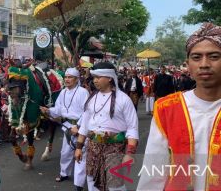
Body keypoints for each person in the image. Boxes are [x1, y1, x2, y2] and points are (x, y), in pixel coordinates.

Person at [137, 23, 221, 190]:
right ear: (188, 64)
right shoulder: (167, 108)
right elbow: (154, 170)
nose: (204, 64)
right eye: (196, 57)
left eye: (214, 56)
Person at [75, 62, 139, 191]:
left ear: (110, 78)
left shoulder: (124, 99)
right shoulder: (91, 98)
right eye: (94, 78)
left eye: (98, 77)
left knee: (116, 184)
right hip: (93, 148)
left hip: (115, 149)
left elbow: (132, 128)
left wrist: (130, 153)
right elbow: (85, 125)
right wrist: (79, 147)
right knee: (92, 182)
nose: (95, 81)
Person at [40, 68, 89, 191]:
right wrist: (48, 110)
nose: (67, 79)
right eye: (66, 77)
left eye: (70, 77)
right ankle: (64, 173)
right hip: (66, 126)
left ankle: (78, 184)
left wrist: (78, 126)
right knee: (65, 153)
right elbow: (58, 109)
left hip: (79, 128)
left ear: (77, 79)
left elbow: (87, 112)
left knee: (80, 155)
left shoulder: (83, 92)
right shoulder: (63, 92)